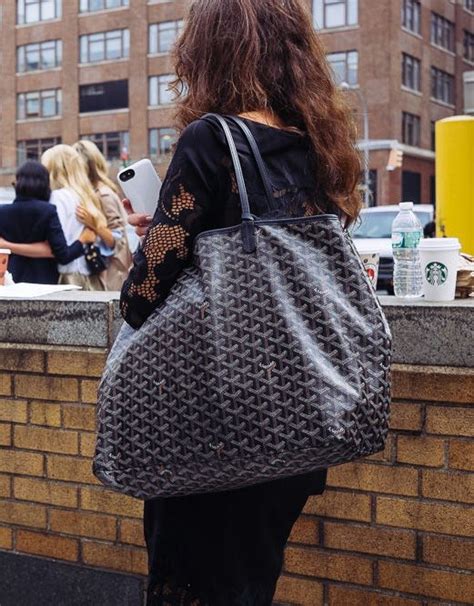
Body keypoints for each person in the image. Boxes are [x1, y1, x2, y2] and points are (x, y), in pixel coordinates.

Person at [120, 0, 362, 604]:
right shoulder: (314, 143)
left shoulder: (212, 139)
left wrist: (154, 238)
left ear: (211, 52)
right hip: (297, 420)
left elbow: (144, 293)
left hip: (213, 430)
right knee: (251, 583)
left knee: (193, 588)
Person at [0, 160, 95, 284]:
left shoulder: (2, 212)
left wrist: (7, 245)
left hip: (11, 278)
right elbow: (63, 255)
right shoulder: (47, 211)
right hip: (44, 281)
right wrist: (83, 239)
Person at [40, 144, 115, 290]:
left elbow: (56, 242)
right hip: (88, 274)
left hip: (67, 275)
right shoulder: (84, 195)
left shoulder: (58, 197)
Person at [73, 140, 132, 291]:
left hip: (112, 278)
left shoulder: (103, 195)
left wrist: (94, 224)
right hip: (101, 274)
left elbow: (118, 241)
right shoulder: (91, 192)